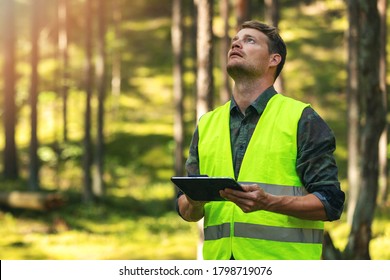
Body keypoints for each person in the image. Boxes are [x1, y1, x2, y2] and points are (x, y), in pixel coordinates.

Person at [176, 20, 345, 260]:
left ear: (273, 60)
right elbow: (185, 208)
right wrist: (194, 203)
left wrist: (270, 202)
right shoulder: (207, 124)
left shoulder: (301, 119)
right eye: (235, 40)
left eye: (250, 40)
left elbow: (330, 202)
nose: (236, 43)